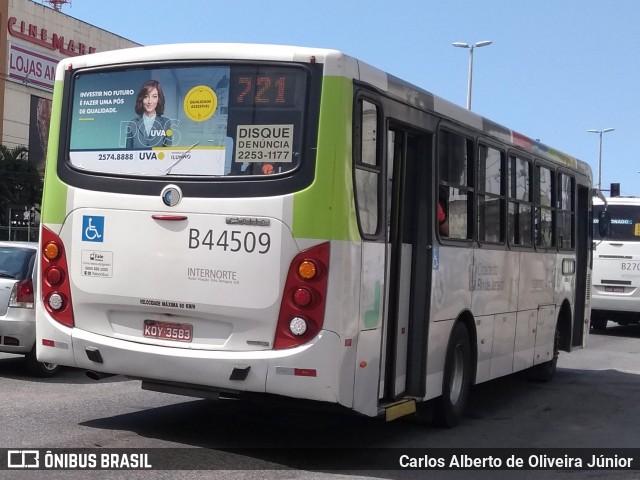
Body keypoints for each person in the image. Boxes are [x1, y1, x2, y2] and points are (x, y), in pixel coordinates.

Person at [126, 80, 172, 148]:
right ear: (141, 99)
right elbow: (128, 153)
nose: (150, 101)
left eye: (154, 96)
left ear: (159, 99)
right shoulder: (132, 124)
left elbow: (168, 154)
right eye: (146, 96)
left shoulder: (166, 123)